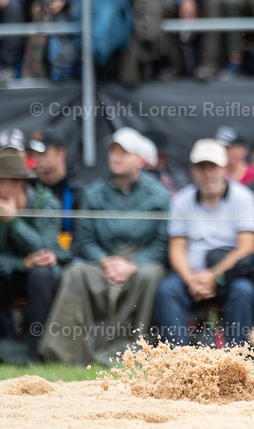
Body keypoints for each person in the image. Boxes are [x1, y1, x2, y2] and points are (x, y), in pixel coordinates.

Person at [39, 128, 168, 365]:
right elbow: (85, 241)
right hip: (102, 262)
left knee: (151, 275)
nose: (116, 157)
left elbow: (162, 244)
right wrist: (105, 262)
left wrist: (133, 264)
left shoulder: (160, 195)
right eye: (113, 152)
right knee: (75, 273)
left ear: (140, 160)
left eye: (124, 152)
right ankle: (68, 353)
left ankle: (135, 351)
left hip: (141, 263)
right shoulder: (94, 193)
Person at [155, 139, 254, 348]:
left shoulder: (243, 198)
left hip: (227, 275)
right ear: (193, 170)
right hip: (190, 275)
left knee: (244, 291)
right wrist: (190, 279)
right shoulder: (181, 200)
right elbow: (176, 247)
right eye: (202, 167)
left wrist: (215, 275)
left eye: (213, 167)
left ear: (224, 168)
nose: (208, 173)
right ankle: (176, 361)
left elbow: (247, 246)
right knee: (167, 291)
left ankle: (238, 359)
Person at [0, 149, 62, 361]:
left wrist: (14, 221)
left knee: (41, 275)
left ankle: (36, 353)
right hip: (8, 274)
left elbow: (45, 248)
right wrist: (21, 263)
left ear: (19, 183)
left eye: (2, 182)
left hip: (36, 280)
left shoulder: (46, 203)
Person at [28, 129, 83, 241]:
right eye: (34, 153)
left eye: (42, 153)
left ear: (61, 153)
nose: (36, 159)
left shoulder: (76, 190)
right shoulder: (29, 187)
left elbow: (83, 236)